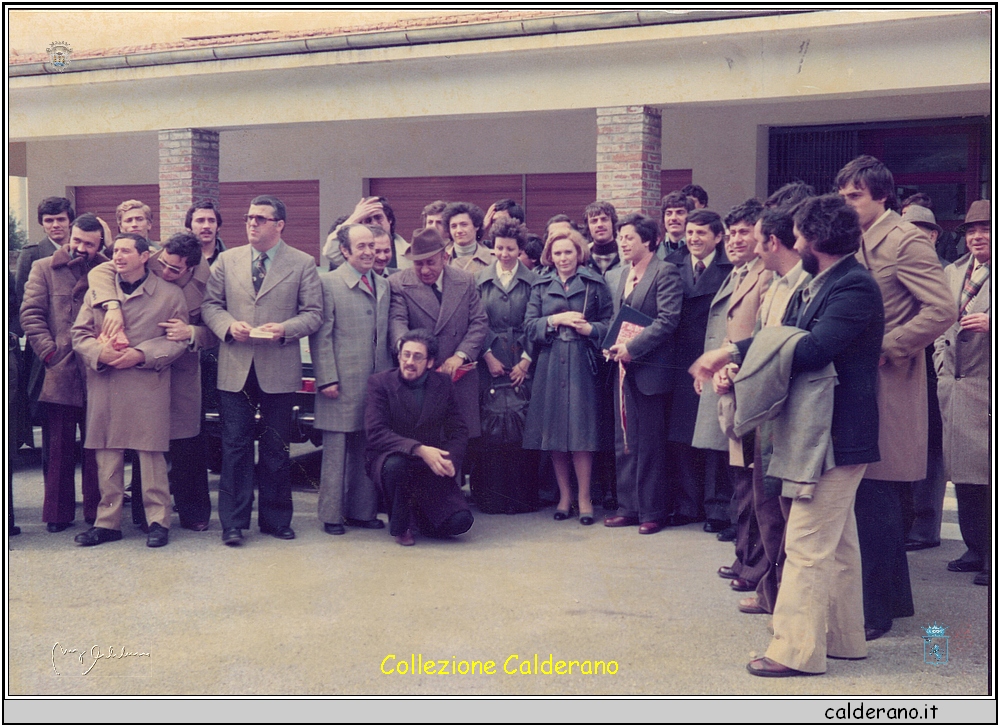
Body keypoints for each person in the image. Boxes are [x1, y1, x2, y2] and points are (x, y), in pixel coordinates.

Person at [691, 193, 885, 677]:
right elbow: (787, 337)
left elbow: (813, 349)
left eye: (798, 234)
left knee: (806, 544)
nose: (792, 241)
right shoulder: (821, 282)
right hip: (820, 432)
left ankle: (794, 652)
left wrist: (735, 356)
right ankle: (844, 641)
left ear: (815, 239)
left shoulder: (854, 287)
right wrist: (733, 353)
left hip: (838, 434)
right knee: (837, 546)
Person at [836, 155, 956, 641]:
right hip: (861, 383)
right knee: (872, 494)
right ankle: (894, 599)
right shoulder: (856, 240)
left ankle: (876, 610)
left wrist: (889, 344)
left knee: (877, 493)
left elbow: (942, 308)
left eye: (855, 196)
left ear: (881, 196)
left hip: (889, 382)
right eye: (842, 196)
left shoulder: (904, 240)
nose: (847, 204)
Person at [201, 195, 324, 546]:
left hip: (278, 367)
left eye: (260, 218)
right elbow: (211, 305)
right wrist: (227, 326)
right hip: (236, 365)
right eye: (249, 217)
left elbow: (313, 313)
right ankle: (234, 523)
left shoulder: (302, 263)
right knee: (235, 446)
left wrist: (285, 328)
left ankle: (275, 519)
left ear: (279, 225)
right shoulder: (227, 260)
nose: (252, 223)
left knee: (276, 448)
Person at [88, 231, 216, 532]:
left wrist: (192, 333)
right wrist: (113, 305)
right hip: (141, 369)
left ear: (192, 268)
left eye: (176, 269)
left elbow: (215, 328)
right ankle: (144, 518)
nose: (167, 272)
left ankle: (192, 512)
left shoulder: (206, 282)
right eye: (165, 265)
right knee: (142, 439)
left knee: (185, 443)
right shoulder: (150, 259)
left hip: (181, 369)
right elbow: (102, 270)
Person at [71, 233, 189, 548]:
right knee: (106, 455)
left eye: (126, 251)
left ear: (145, 256)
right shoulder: (98, 293)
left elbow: (177, 341)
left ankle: (158, 521)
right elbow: (79, 334)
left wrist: (143, 354)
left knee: (151, 455)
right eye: (115, 251)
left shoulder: (169, 294)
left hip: (147, 383)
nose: (118, 256)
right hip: (106, 382)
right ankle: (107, 523)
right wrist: (98, 354)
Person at [694, 199, 771, 592]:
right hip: (729, 387)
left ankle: (755, 565)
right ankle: (744, 556)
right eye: (734, 232)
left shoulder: (766, 274)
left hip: (752, 388)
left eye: (745, 232)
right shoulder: (738, 273)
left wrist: (732, 365)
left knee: (752, 483)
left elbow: (763, 332)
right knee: (739, 480)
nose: (737, 239)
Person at [19, 212, 108, 533]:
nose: (81, 248)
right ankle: (57, 514)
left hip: (99, 369)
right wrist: (50, 351)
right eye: (78, 240)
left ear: (100, 244)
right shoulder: (43, 268)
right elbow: (30, 314)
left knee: (97, 444)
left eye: (90, 243)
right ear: (71, 236)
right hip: (60, 370)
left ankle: (97, 512)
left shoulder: (107, 268)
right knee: (57, 447)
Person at [522, 228, 613, 525]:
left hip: (581, 363)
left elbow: (610, 323)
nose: (563, 258)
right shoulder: (540, 284)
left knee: (581, 433)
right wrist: (555, 319)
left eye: (568, 252)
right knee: (555, 433)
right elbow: (529, 325)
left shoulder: (594, 283)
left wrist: (591, 330)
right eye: (557, 253)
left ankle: (585, 498)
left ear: (579, 253)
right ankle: (564, 497)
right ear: (550, 255)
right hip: (550, 362)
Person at [310, 224, 393, 536]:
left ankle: (361, 511)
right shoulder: (329, 283)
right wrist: (327, 378)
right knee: (335, 451)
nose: (369, 252)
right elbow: (322, 335)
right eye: (361, 246)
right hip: (340, 382)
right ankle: (331, 514)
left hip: (375, 381)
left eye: (372, 245)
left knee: (366, 445)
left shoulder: (383, 285)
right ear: (344, 251)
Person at [602, 214, 682, 534]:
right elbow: (619, 317)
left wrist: (632, 348)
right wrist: (611, 345)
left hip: (651, 370)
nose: (622, 242)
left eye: (629, 237)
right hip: (623, 368)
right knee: (625, 439)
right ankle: (628, 507)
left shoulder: (666, 272)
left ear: (648, 241)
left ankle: (652, 511)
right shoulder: (623, 275)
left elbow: (668, 320)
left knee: (649, 443)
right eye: (621, 237)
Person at [364, 330, 474, 547]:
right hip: (391, 458)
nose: (409, 362)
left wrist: (451, 459)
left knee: (460, 523)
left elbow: (459, 430)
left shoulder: (443, 383)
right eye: (405, 355)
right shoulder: (380, 383)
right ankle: (401, 526)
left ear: (430, 362)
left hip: (430, 464)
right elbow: (376, 432)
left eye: (417, 357)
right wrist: (419, 449)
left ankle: (418, 515)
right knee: (397, 466)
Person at [664, 209, 733, 527]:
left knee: (716, 438)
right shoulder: (671, 264)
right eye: (690, 232)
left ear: (718, 237)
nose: (693, 238)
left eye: (701, 233)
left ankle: (717, 509)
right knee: (681, 436)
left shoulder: (729, 268)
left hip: (715, 358)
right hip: (680, 361)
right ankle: (687, 505)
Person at [388, 228, 489, 444]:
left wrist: (460, 356)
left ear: (445, 257)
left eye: (430, 263)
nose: (424, 270)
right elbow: (397, 322)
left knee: (456, 445)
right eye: (418, 263)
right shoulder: (398, 283)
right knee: (421, 447)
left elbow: (479, 322)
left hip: (459, 379)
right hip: (420, 379)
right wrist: (411, 358)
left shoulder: (465, 280)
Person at [935, 200, 990, 587]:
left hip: (987, 383)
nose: (978, 237)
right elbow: (939, 320)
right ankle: (975, 547)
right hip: (954, 385)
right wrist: (940, 363)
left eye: (986, 230)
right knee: (964, 473)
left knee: (989, 473)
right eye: (972, 231)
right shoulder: (953, 272)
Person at [472, 218, 540, 514]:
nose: (504, 254)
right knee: (491, 427)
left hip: (522, 358)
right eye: (499, 248)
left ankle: (522, 498)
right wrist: (487, 354)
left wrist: (526, 361)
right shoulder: (479, 280)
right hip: (490, 359)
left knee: (522, 425)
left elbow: (537, 321)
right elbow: (474, 320)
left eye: (510, 249)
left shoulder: (534, 281)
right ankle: (490, 498)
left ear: (520, 249)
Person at [14, 196, 76, 452]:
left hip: (79, 344)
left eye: (60, 219)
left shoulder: (82, 249)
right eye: (49, 221)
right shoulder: (32, 255)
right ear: (42, 224)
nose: (55, 225)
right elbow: (24, 302)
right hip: (47, 348)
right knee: (51, 420)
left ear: (70, 221)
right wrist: (47, 348)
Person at [583, 200, 624, 511]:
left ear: (614, 223)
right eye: (594, 220)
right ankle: (596, 488)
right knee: (591, 421)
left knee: (615, 424)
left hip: (621, 350)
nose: (599, 225)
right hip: (588, 351)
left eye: (604, 219)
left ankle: (616, 489)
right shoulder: (581, 259)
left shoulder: (627, 257)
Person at [325, 197, 412, 270]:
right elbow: (330, 252)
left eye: (378, 218)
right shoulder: (355, 252)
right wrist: (353, 218)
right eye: (368, 220)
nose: (374, 223)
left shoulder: (409, 251)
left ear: (390, 220)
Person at [444, 201, 493, 275]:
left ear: (476, 226)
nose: (459, 230)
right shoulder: (440, 258)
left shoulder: (493, 260)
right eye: (454, 226)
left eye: (464, 224)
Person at [186, 200, 226, 266]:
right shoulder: (179, 257)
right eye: (200, 221)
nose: (206, 226)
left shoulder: (231, 260)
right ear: (189, 227)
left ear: (218, 227)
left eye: (212, 221)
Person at [657, 191, 693, 259]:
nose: (673, 218)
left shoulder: (697, 250)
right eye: (669, 213)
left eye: (680, 213)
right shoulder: (654, 251)